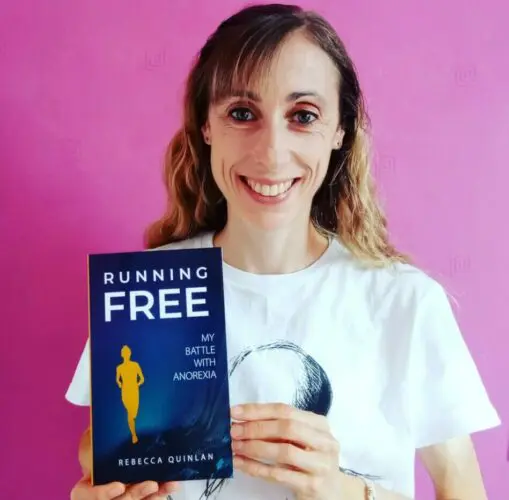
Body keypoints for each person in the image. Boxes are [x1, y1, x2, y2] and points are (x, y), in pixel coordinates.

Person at [66, 3, 501, 500]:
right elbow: (101, 453)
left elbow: (465, 490)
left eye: (303, 116)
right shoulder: (148, 290)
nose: (271, 152)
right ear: (206, 125)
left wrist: (343, 491)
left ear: (340, 131)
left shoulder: (405, 303)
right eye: (242, 113)